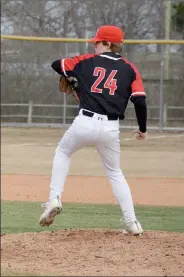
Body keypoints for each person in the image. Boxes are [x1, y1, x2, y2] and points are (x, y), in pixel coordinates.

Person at [39, 25, 147, 235]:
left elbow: (56, 65)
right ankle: (132, 223)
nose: (95, 45)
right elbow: (140, 101)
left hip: (84, 122)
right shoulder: (129, 68)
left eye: (97, 42)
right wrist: (142, 128)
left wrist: (76, 82)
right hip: (110, 128)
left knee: (63, 152)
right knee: (115, 173)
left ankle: (54, 198)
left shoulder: (86, 61)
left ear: (107, 43)